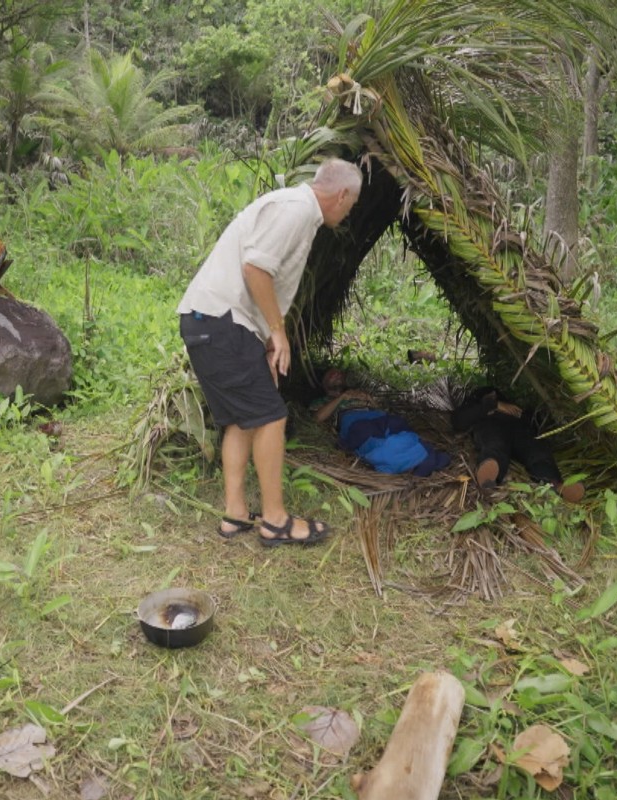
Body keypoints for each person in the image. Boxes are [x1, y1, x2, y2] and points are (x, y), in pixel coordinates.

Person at [177, 158, 363, 546]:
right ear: (342, 194)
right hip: (221, 322)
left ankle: (235, 515)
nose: (349, 213)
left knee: (243, 421)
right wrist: (278, 333)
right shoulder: (296, 210)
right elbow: (256, 269)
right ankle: (276, 522)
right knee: (270, 417)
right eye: (351, 204)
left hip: (212, 323)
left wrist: (259, 340)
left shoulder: (294, 208)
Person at [450, 386, 585, 503]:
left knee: (537, 450)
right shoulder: (475, 406)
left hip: (518, 429)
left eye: (495, 395)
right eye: (490, 395)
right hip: (491, 426)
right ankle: (489, 478)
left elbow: (534, 422)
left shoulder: (512, 407)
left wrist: (523, 415)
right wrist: (492, 405)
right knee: (495, 446)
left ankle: (555, 485)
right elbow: (458, 421)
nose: (494, 395)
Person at [312, 368, 451, 476]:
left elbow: (379, 408)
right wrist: (342, 397)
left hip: (380, 417)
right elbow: (317, 418)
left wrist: (370, 401)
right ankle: (419, 457)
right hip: (355, 422)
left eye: (339, 373)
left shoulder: (356, 393)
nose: (337, 374)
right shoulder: (322, 402)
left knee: (399, 425)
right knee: (368, 435)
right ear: (323, 383)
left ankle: (408, 456)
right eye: (331, 374)